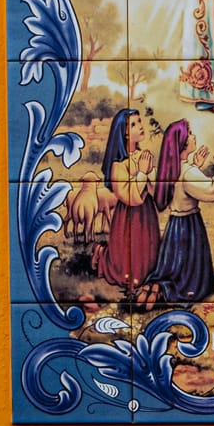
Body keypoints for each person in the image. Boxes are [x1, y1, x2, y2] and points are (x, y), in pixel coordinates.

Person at [137, 120, 214, 307]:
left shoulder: (170, 170)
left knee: (172, 265)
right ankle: (167, 291)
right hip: (190, 226)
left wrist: (196, 165)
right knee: (191, 274)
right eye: (191, 133)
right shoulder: (188, 172)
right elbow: (209, 190)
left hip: (173, 226)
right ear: (184, 143)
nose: (194, 136)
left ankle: (156, 286)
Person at [92, 108, 159, 297]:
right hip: (128, 217)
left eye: (140, 121)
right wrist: (142, 173)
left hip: (147, 214)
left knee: (149, 261)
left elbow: (154, 187)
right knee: (127, 270)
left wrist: (151, 175)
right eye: (134, 124)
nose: (140, 127)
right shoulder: (118, 165)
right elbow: (128, 197)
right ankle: (101, 254)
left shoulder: (143, 155)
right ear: (124, 132)